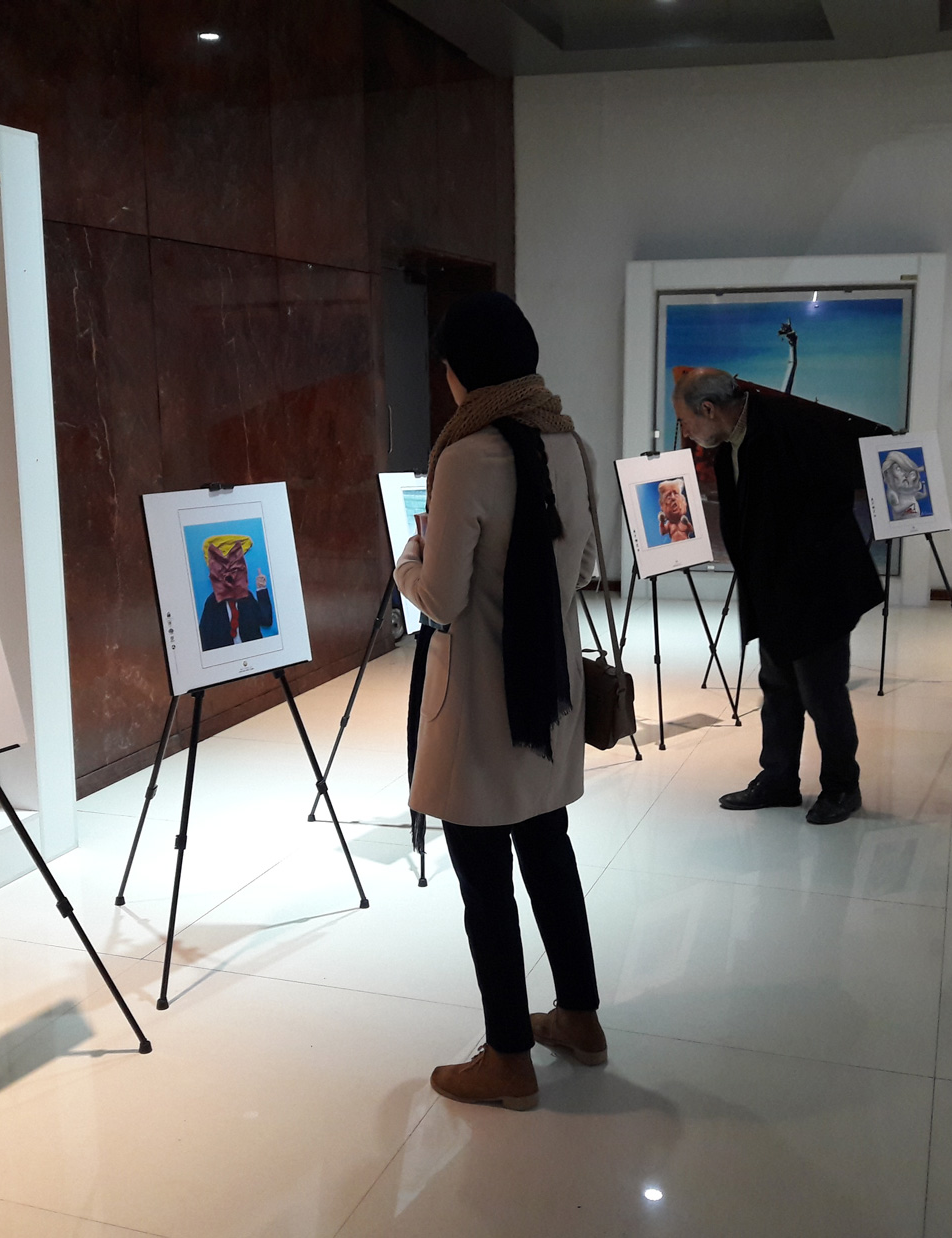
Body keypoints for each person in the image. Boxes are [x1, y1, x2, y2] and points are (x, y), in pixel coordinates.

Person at [395, 291, 604, 1112]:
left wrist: (406, 558)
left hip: (480, 704)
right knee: (548, 851)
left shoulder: (465, 456)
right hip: (548, 694)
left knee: (484, 882)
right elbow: (582, 571)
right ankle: (579, 1018)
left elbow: (441, 597)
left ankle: (508, 1058)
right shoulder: (571, 443)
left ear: (459, 372)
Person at [673, 367, 889, 824]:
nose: (687, 433)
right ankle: (778, 779)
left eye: (687, 422)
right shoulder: (731, 441)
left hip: (815, 589)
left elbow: (831, 498)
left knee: (822, 692)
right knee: (777, 688)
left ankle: (842, 786)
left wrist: (794, 564)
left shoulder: (790, 426)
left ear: (708, 409)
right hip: (772, 588)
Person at [196, 534, 273, 650]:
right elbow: (204, 639)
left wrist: (261, 589)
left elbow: (266, 620)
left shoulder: (247, 598)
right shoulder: (212, 603)